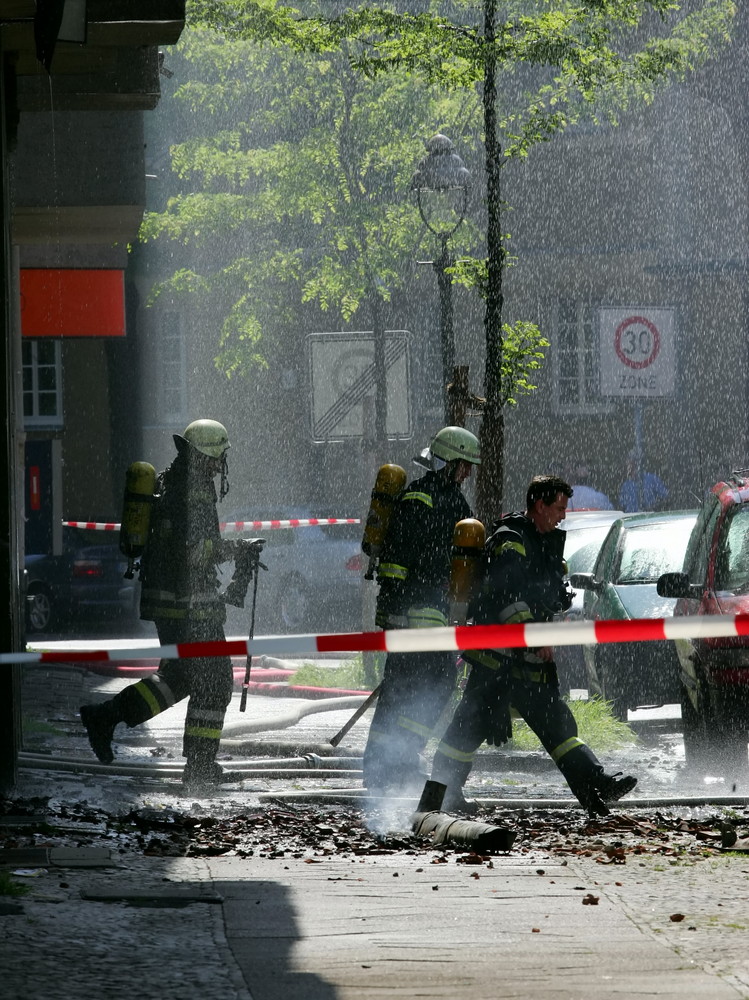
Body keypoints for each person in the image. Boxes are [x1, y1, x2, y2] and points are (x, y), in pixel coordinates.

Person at [428, 474, 637, 816]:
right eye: (557, 508)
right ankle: (438, 799)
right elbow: (507, 592)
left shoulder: (543, 542)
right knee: (465, 733)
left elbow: (544, 592)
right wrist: (532, 633)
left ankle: (597, 787)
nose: (562, 516)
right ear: (538, 505)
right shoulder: (509, 540)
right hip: (495, 662)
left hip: (525, 663)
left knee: (557, 725)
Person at [80, 419, 263, 792]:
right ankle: (198, 767)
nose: (221, 463)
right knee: (213, 682)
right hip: (190, 608)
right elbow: (195, 552)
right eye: (219, 456)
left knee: (180, 678)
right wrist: (238, 549)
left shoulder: (172, 479)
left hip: (171, 605)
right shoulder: (194, 489)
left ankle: (106, 716)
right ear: (208, 454)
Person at [362, 425, 481, 796]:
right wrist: (401, 606)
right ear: (448, 461)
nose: (467, 474)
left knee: (401, 689)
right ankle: (395, 761)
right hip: (416, 616)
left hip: (424, 615)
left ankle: (382, 767)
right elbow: (398, 560)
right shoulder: (421, 499)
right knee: (436, 684)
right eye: (464, 465)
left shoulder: (448, 500)